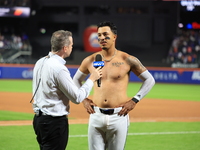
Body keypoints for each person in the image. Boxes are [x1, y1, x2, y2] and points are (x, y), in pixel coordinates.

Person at [73, 21, 155, 150]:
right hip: (96, 115)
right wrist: (84, 100)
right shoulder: (90, 60)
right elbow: (75, 80)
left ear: (114, 37)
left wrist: (134, 100)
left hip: (119, 116)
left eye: (105, 34)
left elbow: (149, 80)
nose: (101, 38)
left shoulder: (127, 59)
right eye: (99, 35)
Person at [32, 30, 102, 150]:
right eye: (71, 45)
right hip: (54, 122)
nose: (72, 47)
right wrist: (92, 79)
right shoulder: (59, 68)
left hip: (39, 120)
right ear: (65, 48)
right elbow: (77, 98)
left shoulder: (40, 62)